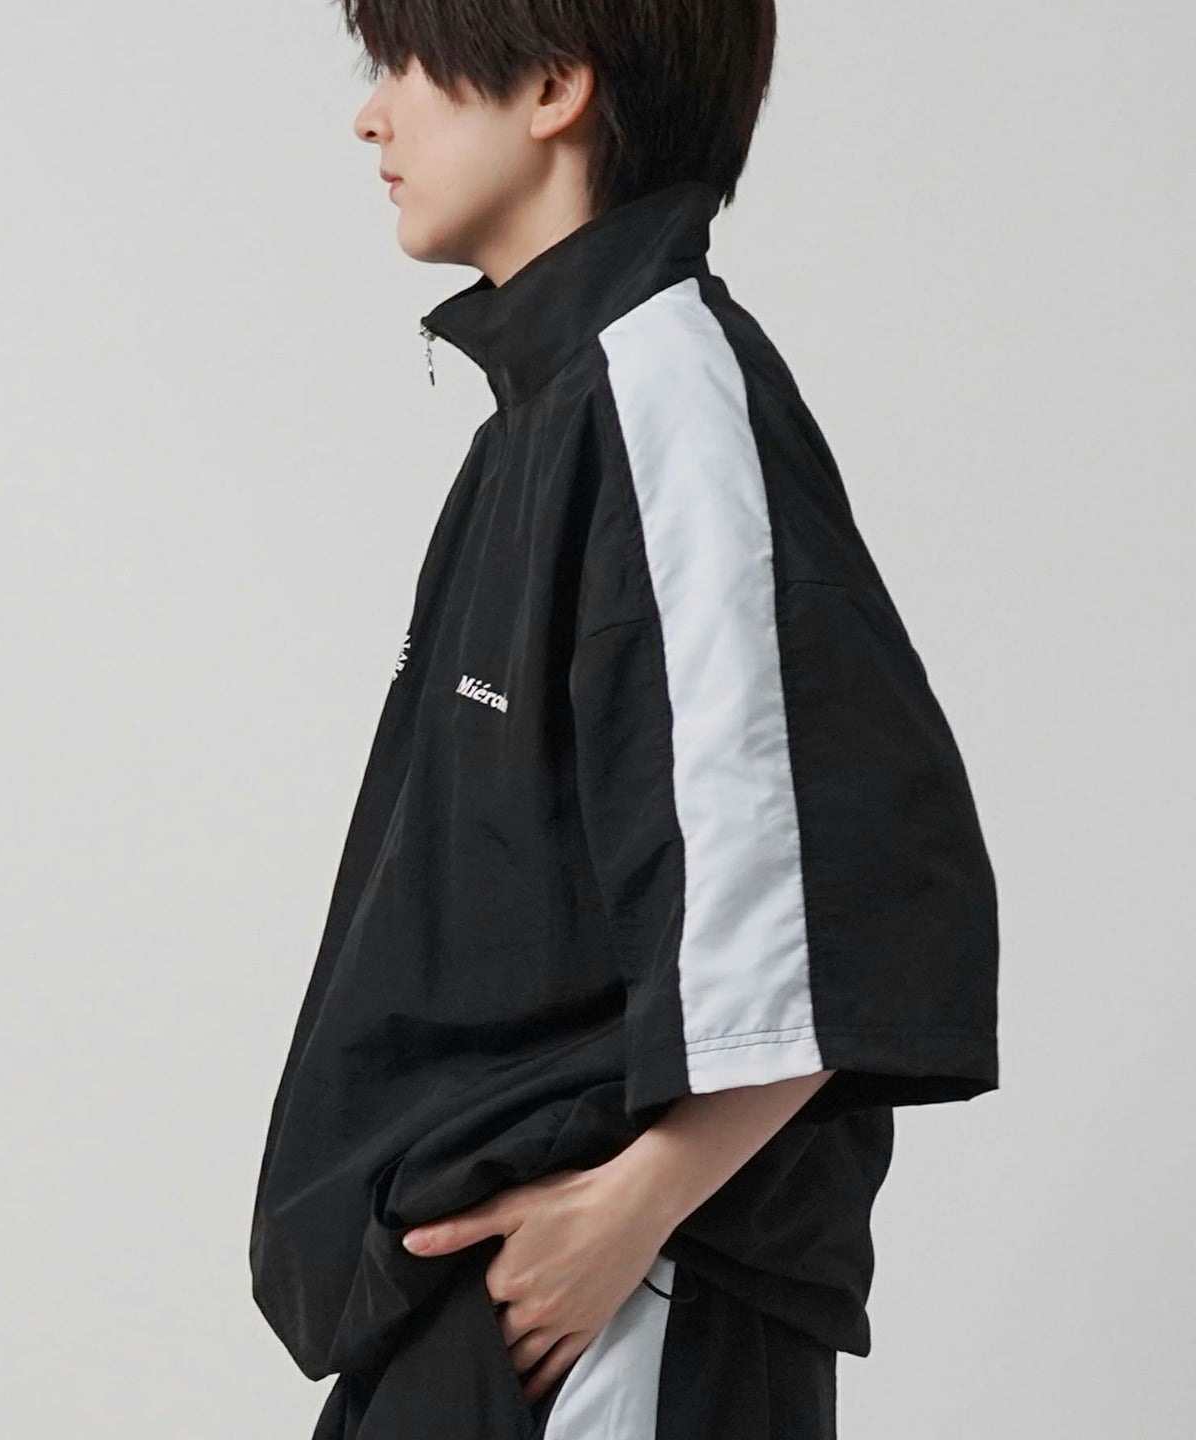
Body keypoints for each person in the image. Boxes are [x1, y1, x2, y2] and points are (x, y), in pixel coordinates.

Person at [249, 4, 1001, 1437]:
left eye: (406, 64)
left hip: (612, 1307)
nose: (373, 114)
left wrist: (629, 1211)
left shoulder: (664, 395)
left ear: (552, 86)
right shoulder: (550, 413)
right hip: (481, 1300)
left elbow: (837, 878)